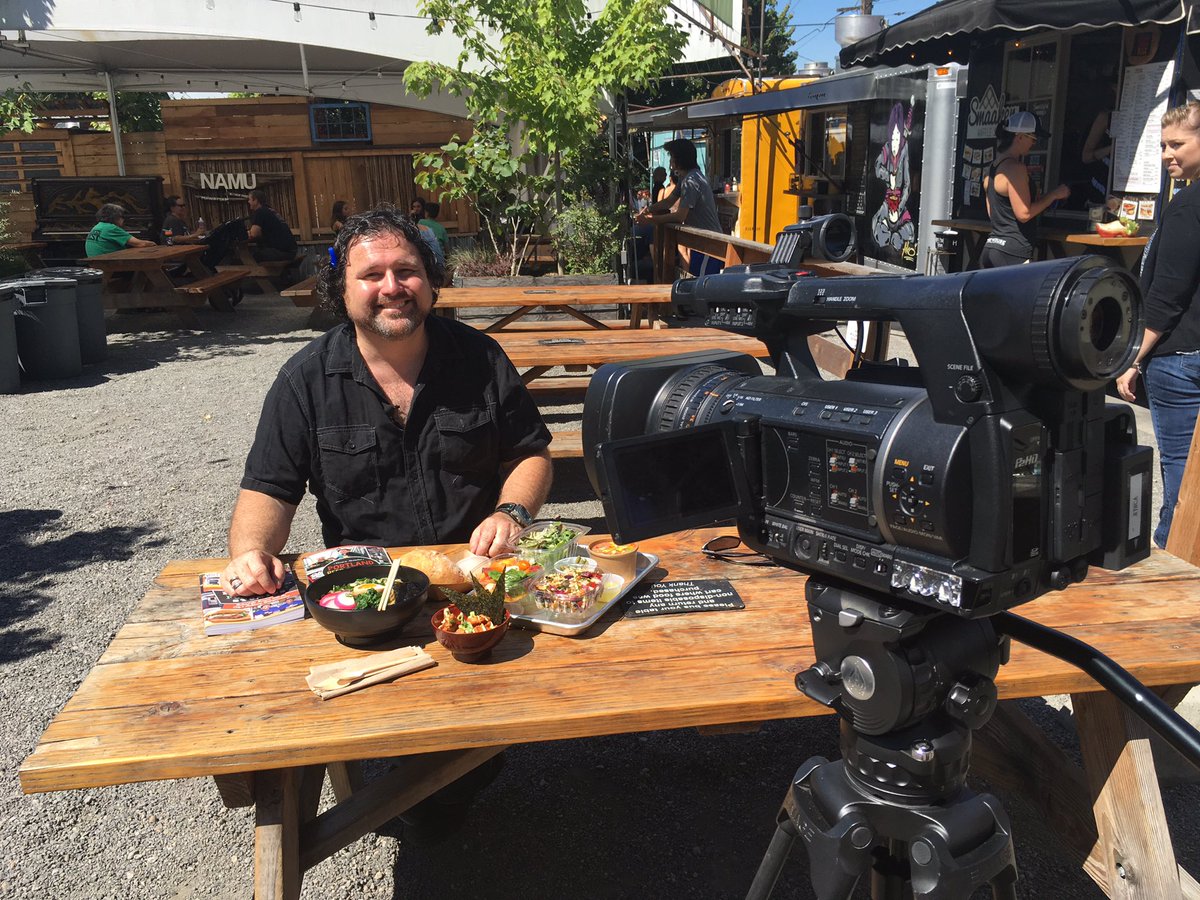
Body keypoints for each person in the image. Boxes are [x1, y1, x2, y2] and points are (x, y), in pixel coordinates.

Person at [221, 204, 552, 598]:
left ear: (430, 280)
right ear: (341, 290)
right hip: (367, 590)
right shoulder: (304, 380)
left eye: (406, 270)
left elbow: (530, 453)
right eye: (371, 275)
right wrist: (251, 553)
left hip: (478, 575)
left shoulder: (481, 358)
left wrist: (511, 512)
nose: (393, 287)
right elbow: (269, 489)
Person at [1116, 101, 1200, 549]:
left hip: (1179, 359)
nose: (1167, 154)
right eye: (1163, 146)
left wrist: (1132, 357)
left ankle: (1171, 557)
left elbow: (1168, 295)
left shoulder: (1188, 205)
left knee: (1181, 480)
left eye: (1177, 144)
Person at [980, 111, 1071, 268]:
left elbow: (992, 213)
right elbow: (1024, 214)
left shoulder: (992, 169)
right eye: (1033, 138)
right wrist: (1054, 195)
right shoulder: (1016, 168)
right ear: (1020, 137)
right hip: (1012, 252)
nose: (1034, 143)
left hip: (992, 247)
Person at [634, 138, 723, 276]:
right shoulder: (686, 177)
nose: (670, 161)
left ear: (680, 159)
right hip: (700, 242)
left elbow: (680, 216)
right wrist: (649, 209)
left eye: (672, 157)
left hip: (709, 243)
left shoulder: (691, 181)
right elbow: (668, 201)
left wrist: (650, 220)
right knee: (696, 280)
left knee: (702, 283)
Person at [246, 189, 298, 262]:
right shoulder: (270, 210)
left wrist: (247, 233)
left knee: (253, 257)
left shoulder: (260, 211)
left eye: (250, 199)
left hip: (281, 252)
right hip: (291, 251)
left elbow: (254, 234)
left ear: (256, 200)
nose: (248, 202)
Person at [85, 204, 156, 256]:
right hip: (109, 264)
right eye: (122, 217)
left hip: (97, 263)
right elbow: (141, 244)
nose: (123, 220)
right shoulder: (111, 228)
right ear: (116, 217)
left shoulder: (97, 226)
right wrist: (153, 244)